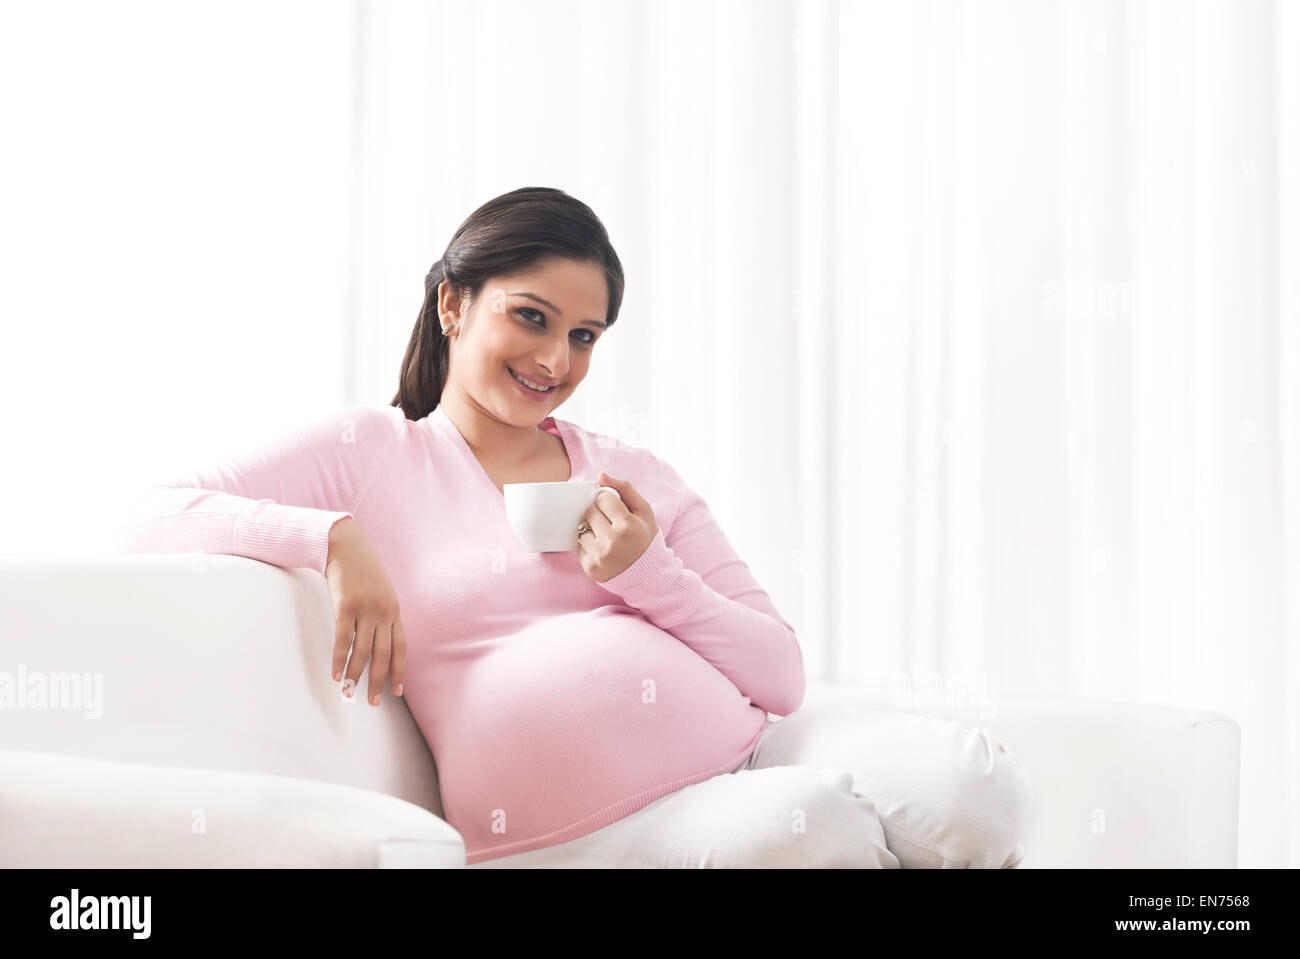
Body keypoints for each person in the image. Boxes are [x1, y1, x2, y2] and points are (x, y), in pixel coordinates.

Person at [115, 185, 1032, 868]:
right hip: (583, 831)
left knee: (976, 790)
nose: (556, 359)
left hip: (755, 746)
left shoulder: (631, 473)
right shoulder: (370, 450)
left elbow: (781, 676)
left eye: (585, 335)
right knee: (814, 829)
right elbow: (151, 512)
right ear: (452, 304)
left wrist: (650, 572)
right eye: (531, 317)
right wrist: (333, 538)